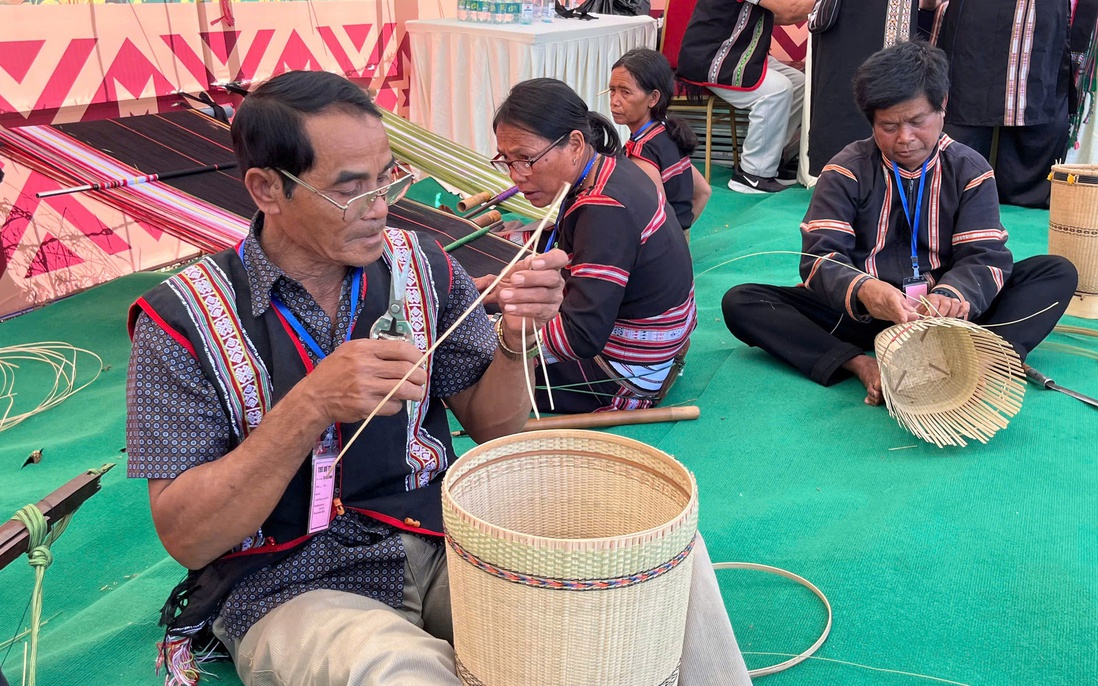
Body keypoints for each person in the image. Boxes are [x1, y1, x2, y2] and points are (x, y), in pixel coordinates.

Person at [128, 70, 752, 686]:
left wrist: (514, 340)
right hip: (288, 579)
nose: (380, 208)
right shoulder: (179, 319)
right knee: (402, 670)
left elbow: (499, 432)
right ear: (267, 189)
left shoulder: (422, 266)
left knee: (646, 563)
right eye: (352, 188)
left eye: (387, 178)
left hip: (438, 534)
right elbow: (188, 537)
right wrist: (309, 404)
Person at [721, 41, 1078, 405]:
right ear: (872, 122)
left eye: (917, 121)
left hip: (946, 319)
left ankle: (982, 357)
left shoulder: (971, 170)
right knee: (743, 301)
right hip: (862, 318)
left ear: (942, 108)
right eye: (889, 125)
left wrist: (952, 295)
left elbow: (984, 255)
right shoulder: (846, 169)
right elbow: (821, 257)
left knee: (1056, 272)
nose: (905, 138)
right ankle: (859, 364)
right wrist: (865, 291)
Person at [490, 78, 698, 414]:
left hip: (624, 374)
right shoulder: (610, 166)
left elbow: (581, 337)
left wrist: (501, 328)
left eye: (526, 158)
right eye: (507, 160)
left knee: (468, 354)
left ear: (574, 143)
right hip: (666, 347)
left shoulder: (602, 208)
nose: (516, 175)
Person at [934, 0, 1072, 208]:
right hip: (975, 19)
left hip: (1033, 16)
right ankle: (960, 187)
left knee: (1032, 92)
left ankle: (1017, 195)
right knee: (966, 96)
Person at [676, 0, 811, 194]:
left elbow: (782, 15)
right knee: (777, 89)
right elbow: (789, 11)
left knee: (799, 83)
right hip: (712, 56)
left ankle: (770, 161)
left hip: (739, 51)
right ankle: (751, 174)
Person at [806, 0, 942, 177]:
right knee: (873, 88)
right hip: (859, 22)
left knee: (880, 91)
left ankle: (849, 174)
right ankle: (848, 174)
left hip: (865, 20)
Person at [609, 47, 711, 235]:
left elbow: (656, 219)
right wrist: (682, 236)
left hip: (659, 254)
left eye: (625, 92)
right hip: (673, 246)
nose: (614, 100)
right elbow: (703, 192)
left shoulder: (641, 154)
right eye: (612, 90)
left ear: (653, 98)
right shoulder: (667, 131)